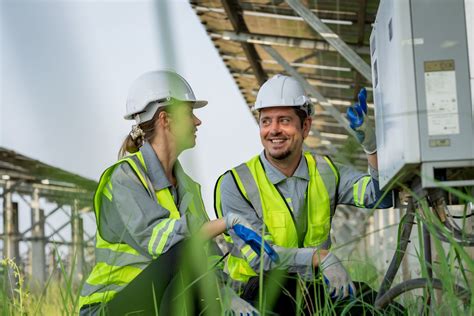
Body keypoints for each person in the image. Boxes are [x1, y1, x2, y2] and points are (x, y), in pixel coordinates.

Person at [78, 70, 258, 315]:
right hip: (110, 305)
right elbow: (165, 244)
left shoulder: (189, 189)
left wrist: (232, 295)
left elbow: (209, 259)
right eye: (189, 113)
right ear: (165, 119)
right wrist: (224, 223)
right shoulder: (124, 178)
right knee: (185, 255)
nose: (197, 121)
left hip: (160, 302)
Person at [214, 74, 396, 314]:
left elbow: (381, 197)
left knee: (383, 309)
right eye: (266, 121)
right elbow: (262, 259)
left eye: (284, 120)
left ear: (305, 126)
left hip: (315, 288)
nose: (274, 130)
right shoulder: (236, 183)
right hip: (257, 295)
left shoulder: (326, 172)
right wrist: (321, 258)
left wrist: (371, 147)